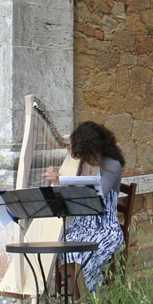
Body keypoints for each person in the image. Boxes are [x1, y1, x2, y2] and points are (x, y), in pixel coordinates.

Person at [42, 121, 124, 294]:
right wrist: (57, 180)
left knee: (86, 255)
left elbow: (99, 194)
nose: (76, 152)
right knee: (62, 251)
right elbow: (68, 196)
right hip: (81, 225)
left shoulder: (112, 165)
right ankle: (74, 303)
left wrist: (66, 182)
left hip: (105, 228)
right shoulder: (80, 164)